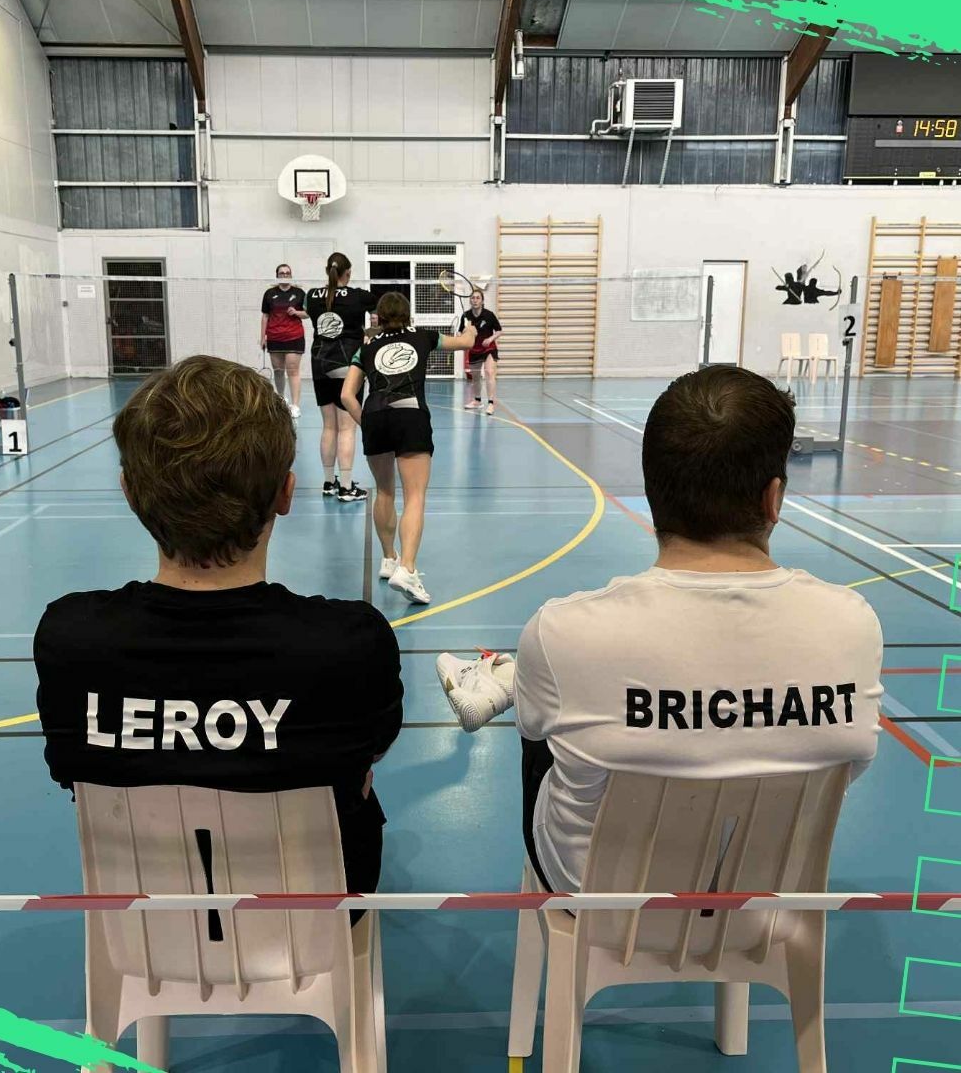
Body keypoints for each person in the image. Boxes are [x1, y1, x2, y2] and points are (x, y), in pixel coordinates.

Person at [436, 365, 883, 894]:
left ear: (652, 491)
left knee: (544, 739)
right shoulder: (853, 623)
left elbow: (539, 741)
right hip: (767, 896)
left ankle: (508, 681)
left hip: (598, 898)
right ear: (774, 497)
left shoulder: (565, 631)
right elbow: (848, 770)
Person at [35, 355, 403, 910]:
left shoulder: (70, 640)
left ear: (130, 494)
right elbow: (373, 748)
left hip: (142, 931)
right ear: (286, 492)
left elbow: (69, 774)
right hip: (318, 927)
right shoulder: (351, 644)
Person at [341, 292, 475, 606]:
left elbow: (347, 395)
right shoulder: (424, 336)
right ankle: (408, 569)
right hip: (411, 414)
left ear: (379, 317)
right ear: (408, 315)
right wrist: (470, 329)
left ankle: (389, 559)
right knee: (414, 496)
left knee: (384, 492)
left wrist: (367, 423)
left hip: (375, 416)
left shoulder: (366, 347)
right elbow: (466, 342)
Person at [306, 252, 378, 503]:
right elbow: (380, 306)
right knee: (346, 427)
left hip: (319, 362)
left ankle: (329, 482)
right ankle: (346, 487)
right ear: (347, 273)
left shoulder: (312, 296)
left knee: (328, 426)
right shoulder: (358, 296)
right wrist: (370, 330)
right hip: (347, 363)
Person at [260, 262, 307, 418]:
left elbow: (308, 313)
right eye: (282, 273)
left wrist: (296, 312)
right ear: (277, 276)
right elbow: (265, 316)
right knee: (278, 371)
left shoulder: (299, 293)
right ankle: (281, 399)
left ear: (291, 275)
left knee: (293, 370)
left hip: (294, 336)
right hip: (274, 337)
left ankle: (295, 405)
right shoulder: (269, 294)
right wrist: (262, 337)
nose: (285, 275)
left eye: (287, 273)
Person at [459, 289, 502, 416]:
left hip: (488, 348)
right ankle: (477, 401)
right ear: (470, 300)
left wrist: (490, 339)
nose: (475, 300)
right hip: (474, 348)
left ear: (482, 301)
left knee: (489, 372)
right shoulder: (466, 316)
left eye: (478, 298)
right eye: (473, 298)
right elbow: (460, 332)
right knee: (476, 377)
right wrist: (463, 337)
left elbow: (499, 331)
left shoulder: (489, 315)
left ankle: (491, 403)